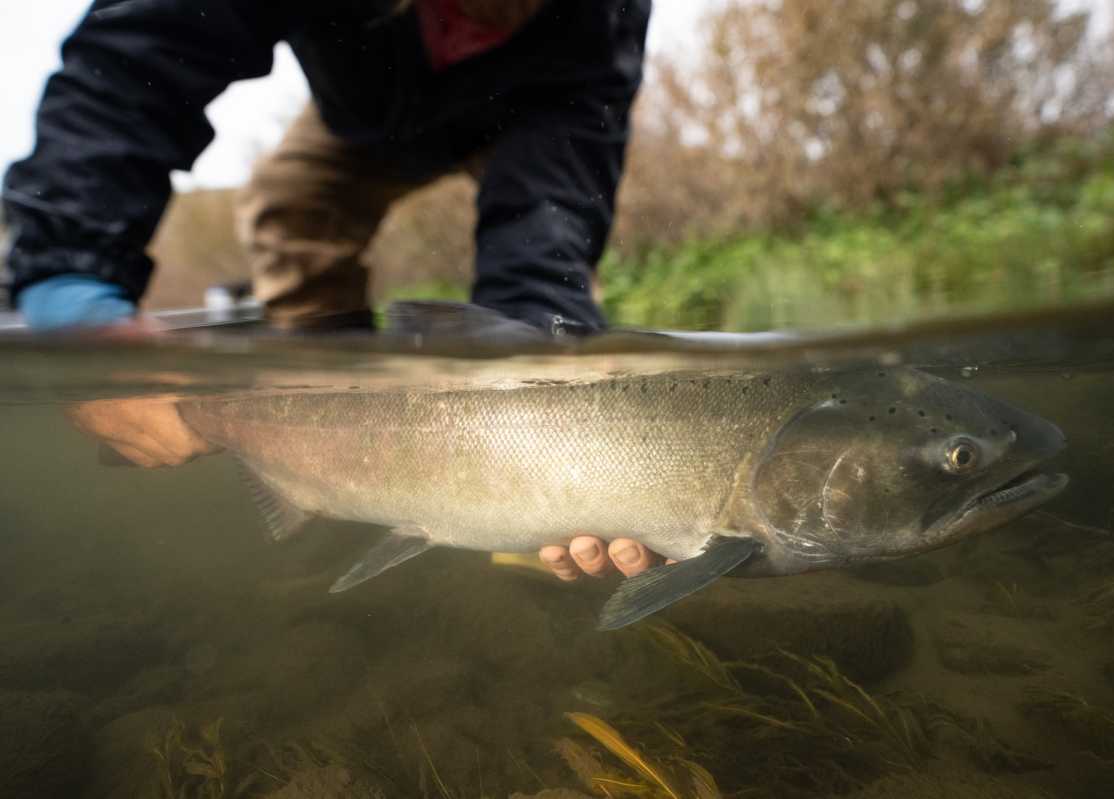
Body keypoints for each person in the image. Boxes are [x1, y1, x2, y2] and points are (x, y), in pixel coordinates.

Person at [5, 0, 663, 580]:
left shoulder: (603, 18)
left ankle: (486, 500)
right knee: (285, 212)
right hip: (363, 117)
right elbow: (139, 55)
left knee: (551, 328)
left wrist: (564, 406)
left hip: (515, 114)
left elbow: (548, 242)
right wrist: (72, 283)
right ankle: (329, 472)